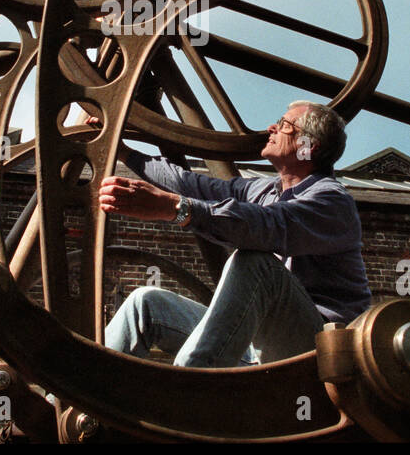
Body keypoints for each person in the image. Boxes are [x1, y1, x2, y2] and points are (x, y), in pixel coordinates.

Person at [99, 100, 371, 367]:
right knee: (145, 305)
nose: (271, 128)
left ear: (308, 146)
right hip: (257, 348)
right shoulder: (262, 190)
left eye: (284, 124)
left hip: (317, 352)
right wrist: (124, 152)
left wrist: (176, 208)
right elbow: (190, 184)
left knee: (256, 263)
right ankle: (77, 403)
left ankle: (187, 389)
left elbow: (265, 226)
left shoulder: (332, 201)